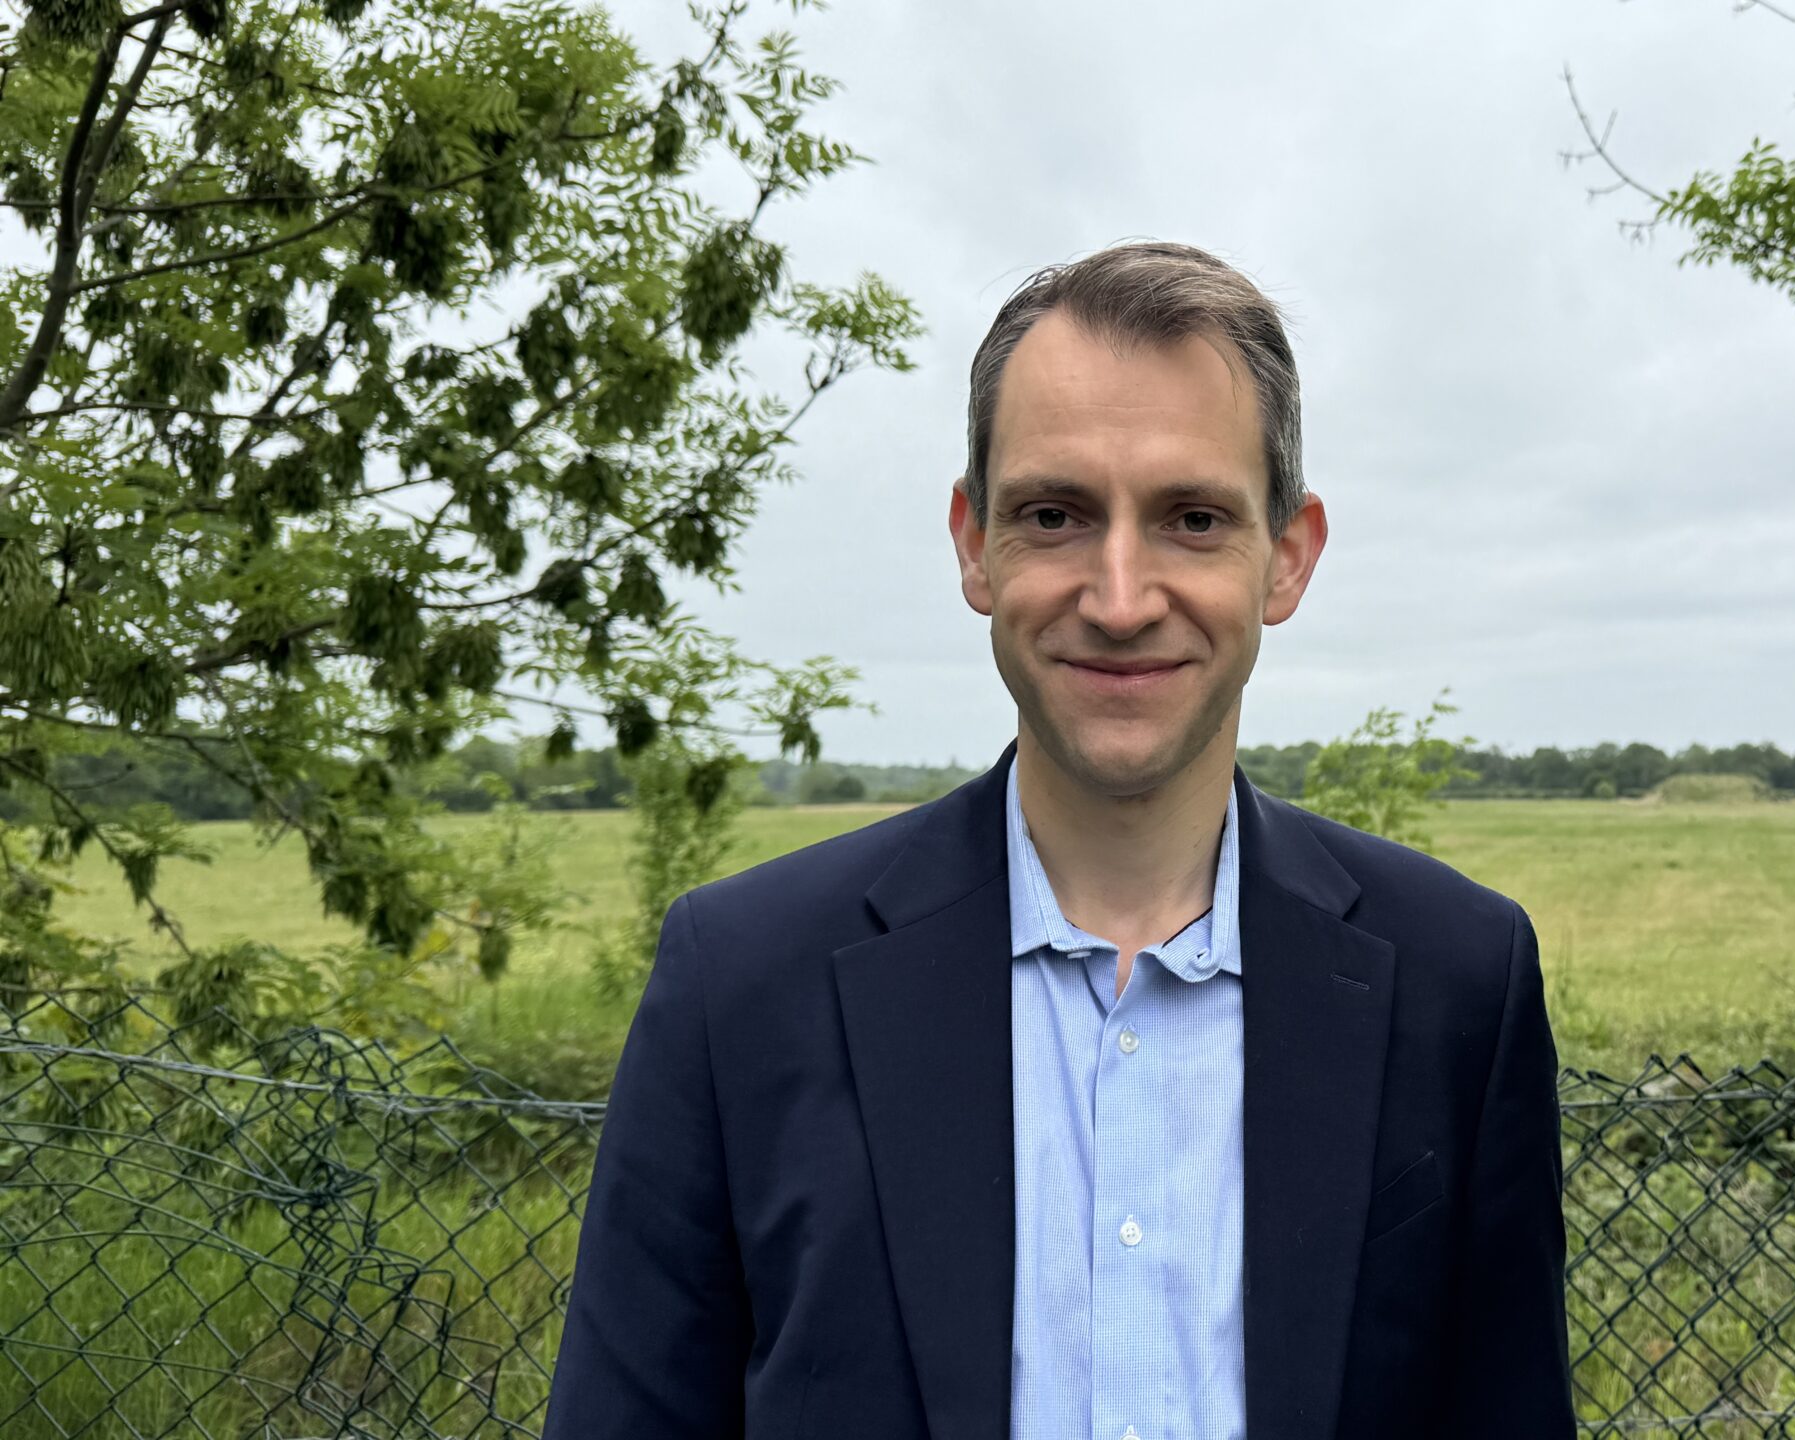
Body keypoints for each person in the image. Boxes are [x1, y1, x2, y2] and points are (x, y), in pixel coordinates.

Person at [544, 240, 1572, 1439]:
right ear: (973, 542)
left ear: (1287, 558)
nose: (1120, 600)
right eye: (1055, 515)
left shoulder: (1458, 982)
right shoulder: (741, 983)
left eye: (1193, 518)